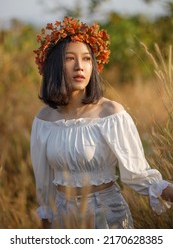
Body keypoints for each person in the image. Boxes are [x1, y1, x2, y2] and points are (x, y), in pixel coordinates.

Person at [30, 16, 173, 229]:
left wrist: (166, 191)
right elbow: (43, 184)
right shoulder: (44, 120)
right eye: (70, 58)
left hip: (107, 215)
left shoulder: (111, 113)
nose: (80, 66)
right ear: (54, 66)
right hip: (64, 218)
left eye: (87, 59)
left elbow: (137, 173)